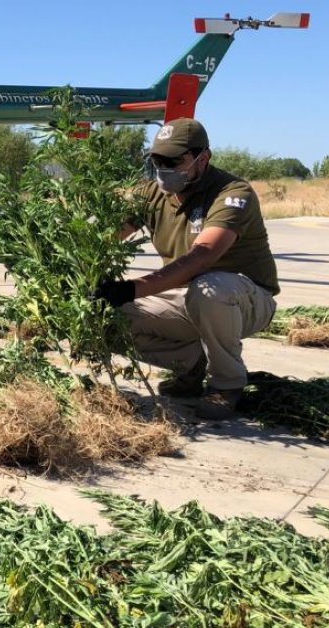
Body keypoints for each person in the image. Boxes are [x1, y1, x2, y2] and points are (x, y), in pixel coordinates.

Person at [94, 118, 279, 420]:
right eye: (157, 160)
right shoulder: (151, 195)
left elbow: (202, 256)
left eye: (173, 160)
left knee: (209, 287)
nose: (163, 167)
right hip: (184, 297)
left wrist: (131, 288)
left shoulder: (232, 193)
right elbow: (106, 236)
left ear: (202, 157)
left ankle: (227, 384)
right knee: (102, 315)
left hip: (244, 300)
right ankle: (190, 366)